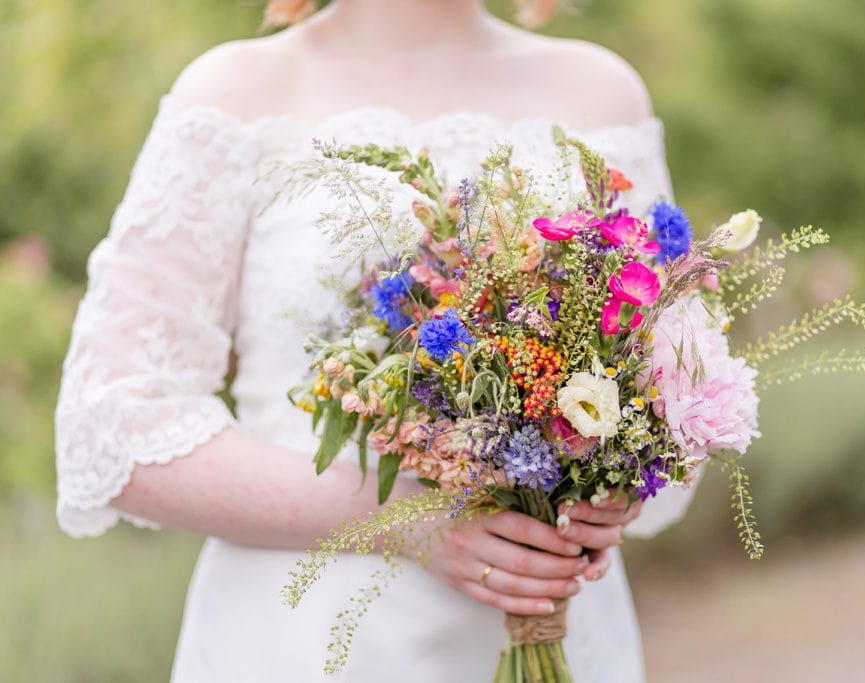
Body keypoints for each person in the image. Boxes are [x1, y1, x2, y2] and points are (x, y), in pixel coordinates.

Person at [55, 1, 697, 680]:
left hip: (560, 626)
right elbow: (111, 425)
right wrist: (403, 516)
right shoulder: (234, 93)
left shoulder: (600, 91)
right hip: (310, 640)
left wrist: (619, 480)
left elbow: (677, 376)